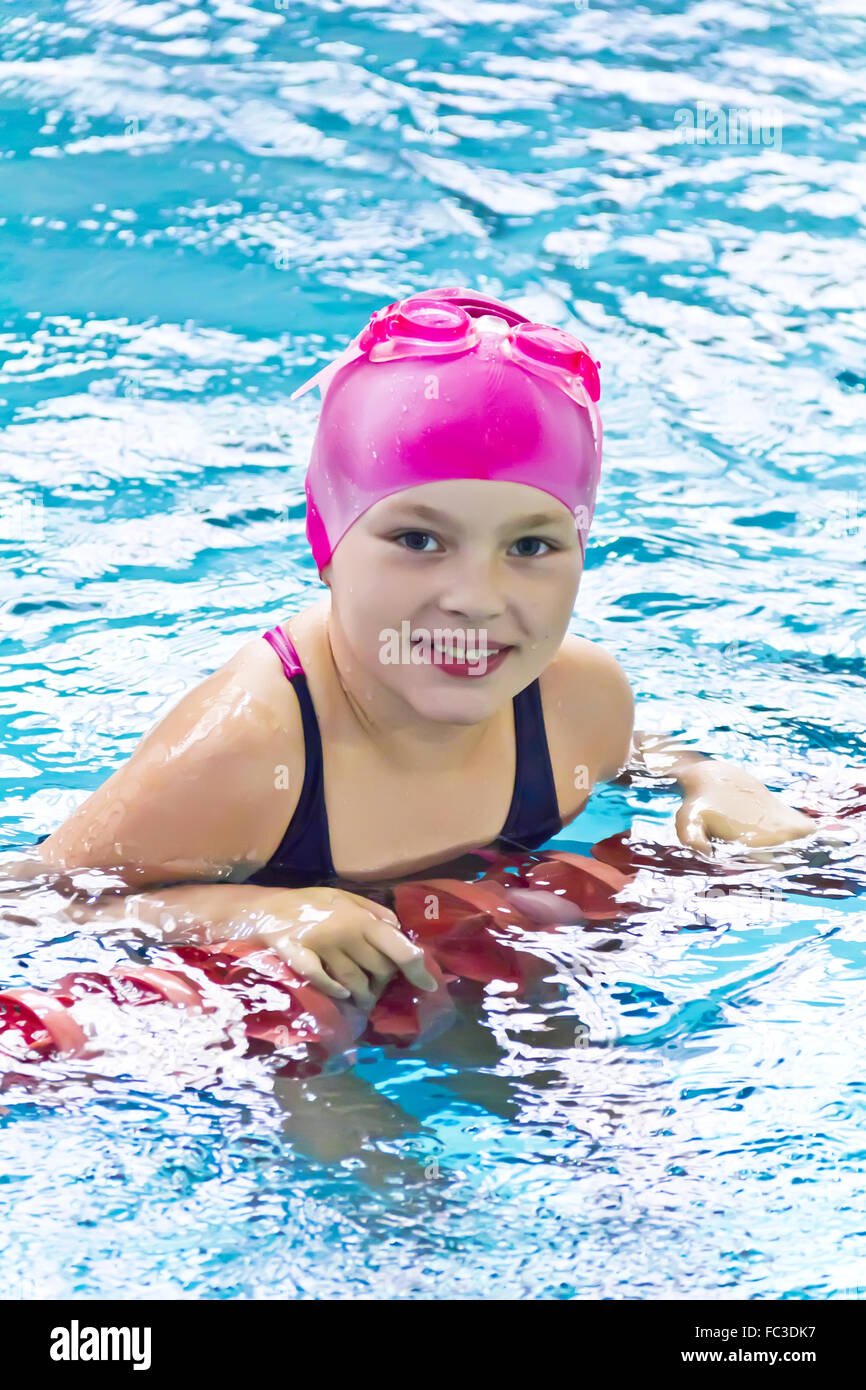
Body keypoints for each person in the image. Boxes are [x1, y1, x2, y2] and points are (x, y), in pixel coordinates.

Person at [31, 286, 818, 1014]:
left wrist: (707, 775)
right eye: (418, 538)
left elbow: (630, 753)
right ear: (328, 543)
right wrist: (256, 908)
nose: (475, 597)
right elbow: (34, 900)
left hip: (462, 953)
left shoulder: (581, 700)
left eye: (532, 546)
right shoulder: (248, 747)